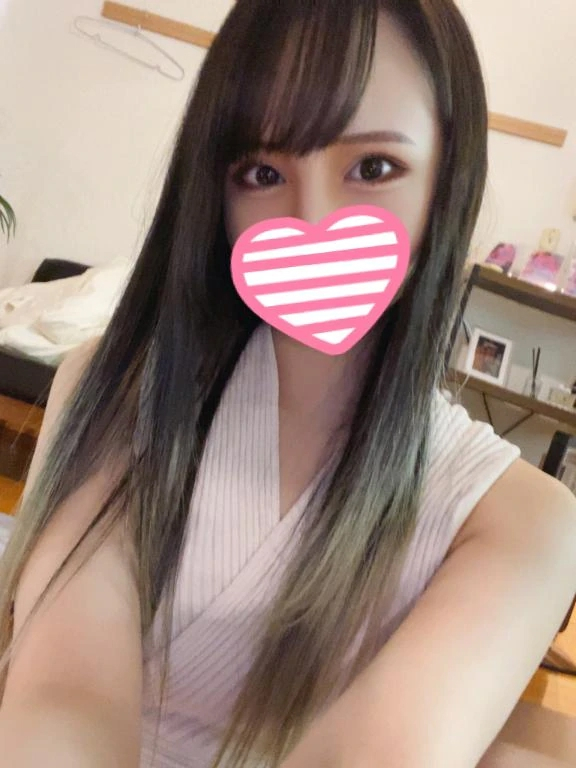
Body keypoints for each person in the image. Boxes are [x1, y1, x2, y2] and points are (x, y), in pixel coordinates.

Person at [1, 1, 575, 767]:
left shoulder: (524, 522)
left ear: (448, 181)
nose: (312, 221)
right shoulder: (111, 390)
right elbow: (62, 699)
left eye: (374, 168)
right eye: (263, 173)